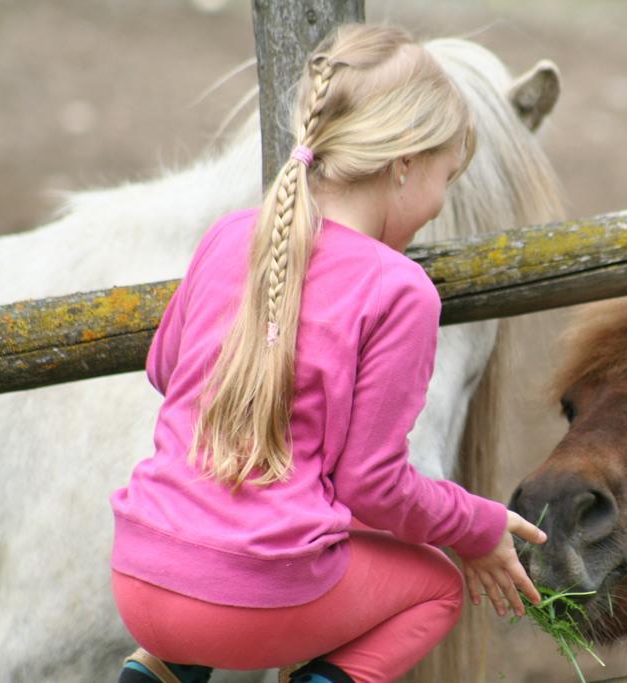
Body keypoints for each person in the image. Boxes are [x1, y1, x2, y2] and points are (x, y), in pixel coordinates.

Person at [109, 24, 546, 683]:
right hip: (244, 601)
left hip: (139, 578)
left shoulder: (232, 236)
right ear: (404, 164)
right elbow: (373, 487)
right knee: (436, 586)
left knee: (247, 530)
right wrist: (476, 525)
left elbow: (165, 369)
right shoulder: (399, 289)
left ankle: (164, 672)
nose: (440, 203)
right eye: (446, 177)